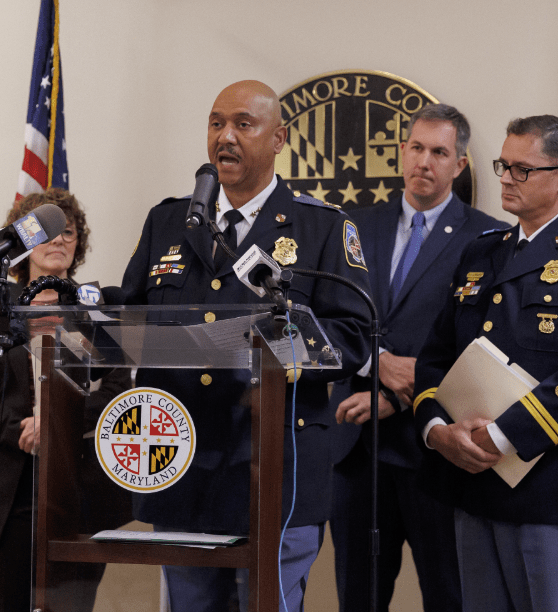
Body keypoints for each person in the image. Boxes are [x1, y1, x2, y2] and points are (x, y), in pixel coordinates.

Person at [121, 79, 371, 611]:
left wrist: (255, 342)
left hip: (275, 463)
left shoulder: (322, 226)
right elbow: (129, 317)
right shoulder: (169, 219)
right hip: (180, 457)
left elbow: (351, 340)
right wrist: (75, 308)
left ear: (279, 138)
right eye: (216, 123)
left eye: (242, 124)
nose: (225, 137)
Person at [412, 115, 558, 612]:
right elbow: (436, 358)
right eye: (503, 166)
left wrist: (500, 436)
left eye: (522, 169)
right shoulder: (481, 252)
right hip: (473, 480)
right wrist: (437, 429)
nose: (505, 179)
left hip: (552, 487)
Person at [328, 103, 504, 612]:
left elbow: (483, 347)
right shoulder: (352, 227)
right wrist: (375, 363)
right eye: (417, 148)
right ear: (403, 152)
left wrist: (401, 398)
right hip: (355, 450)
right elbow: (327, 318)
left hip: (438, 451)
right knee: (358, 599)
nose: (425, 161)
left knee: (450, 596)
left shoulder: (487, 238)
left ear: (460, 164)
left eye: (440, 152)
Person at [0, 188, 132, 612]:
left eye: (68, 232)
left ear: (79, 243)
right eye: (47, 232)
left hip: (80, 490)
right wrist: (21, 431)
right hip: (8, 490)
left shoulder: (98, 308)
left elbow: (116, 390)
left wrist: (55, 420)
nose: (58, 240)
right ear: (23, 242)